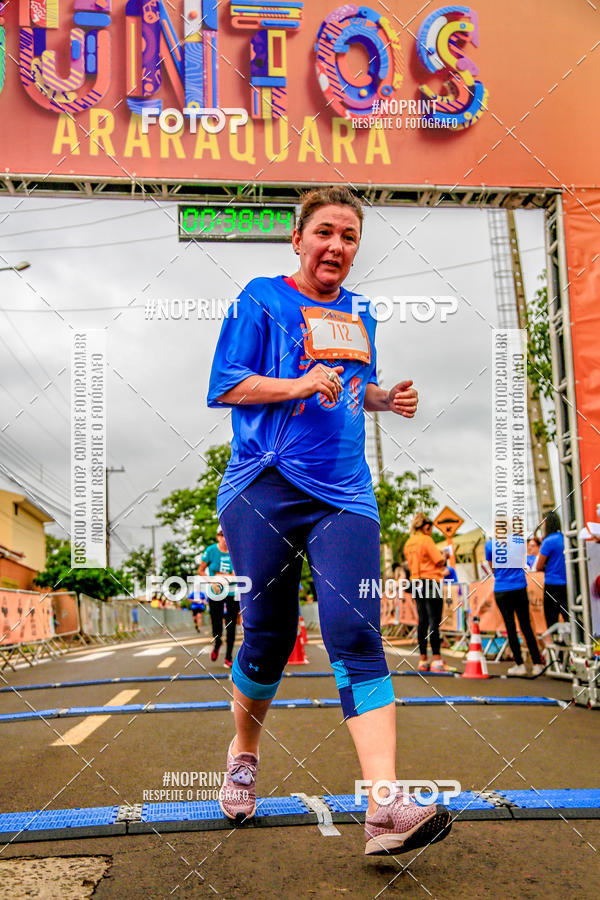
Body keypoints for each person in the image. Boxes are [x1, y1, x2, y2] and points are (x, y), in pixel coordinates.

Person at [206, 187, 451, 856]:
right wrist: (295, 383)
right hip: (265, 485)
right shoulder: (261, 297)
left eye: (349, 236)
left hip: (345, 493)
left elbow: (343, 391)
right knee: (268, 634)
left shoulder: (361, 312)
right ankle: (244, 754)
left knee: (354, 629)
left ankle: (382, 808)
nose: (337, 246)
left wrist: (382, 397)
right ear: (298, 239)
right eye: (325, 232)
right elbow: (225, 383)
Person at [485, 531, 545, 676]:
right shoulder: (519, 541)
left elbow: (492, 567)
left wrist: (501, 573)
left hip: (501, 587)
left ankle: (520, 665)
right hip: (519, 586)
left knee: (510, 626)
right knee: (526, 625)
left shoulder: (490, 544)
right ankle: (537, 663)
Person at [404, 513, 450, 672]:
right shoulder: (426, 540)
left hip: (416, 581)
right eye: (430, 528)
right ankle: (437, 659)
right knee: (434, 621)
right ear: (425, 527)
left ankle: (423, 660)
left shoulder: (409, 543)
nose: (431, 531)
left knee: (422, 621)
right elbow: (438, 560)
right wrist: (445, 556)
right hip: (431, 581)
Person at [198, 527, 240, 667]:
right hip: (215, 591)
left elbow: (238, 573)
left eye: (226, 534)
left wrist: (228, 577)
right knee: (216, 622)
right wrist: (212, 581)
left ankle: (228, 656)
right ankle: (217, 642)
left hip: (232, 592)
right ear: (217, 537)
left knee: (231, 624)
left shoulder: (236, 551)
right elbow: (201, 570)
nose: (224, 538)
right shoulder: (211, 551)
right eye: (221, 535)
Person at [536, 511, 569, 640]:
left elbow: (539, 565)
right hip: (566, 583)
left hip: (552, 584)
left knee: (551, 620)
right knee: (568, 617)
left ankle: (557, 652)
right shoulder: (564, 537)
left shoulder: (548, 541)